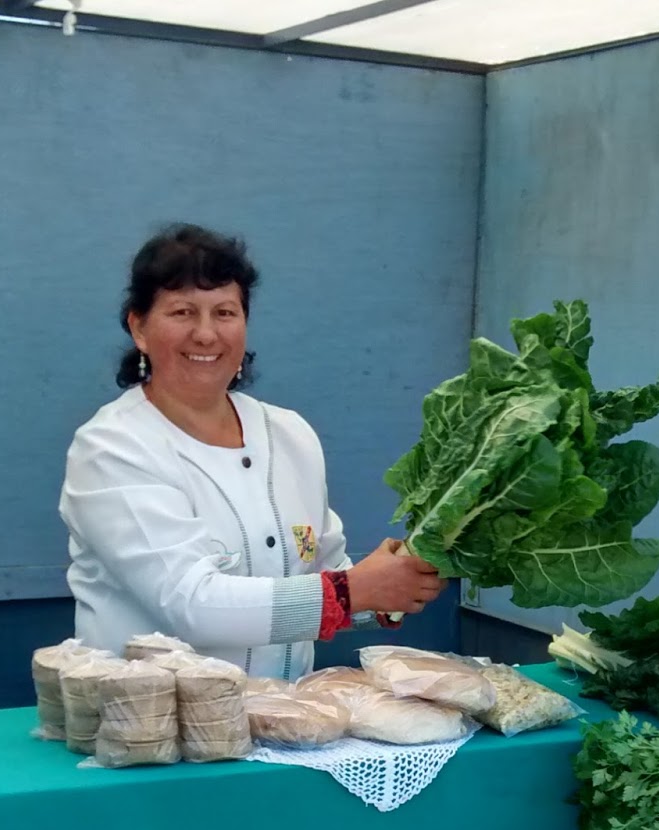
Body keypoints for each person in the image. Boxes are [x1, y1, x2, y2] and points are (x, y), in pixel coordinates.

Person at [59, 223, 444, 680]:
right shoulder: (112, 447)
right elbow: (192, 605)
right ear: (139, 328)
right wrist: (355, 591)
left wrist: (394, 586)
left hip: (287, 721)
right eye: (182, 312)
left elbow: (324, 573)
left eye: (225, 312)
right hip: (152, 731)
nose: (206, 334)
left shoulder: (288, 434)